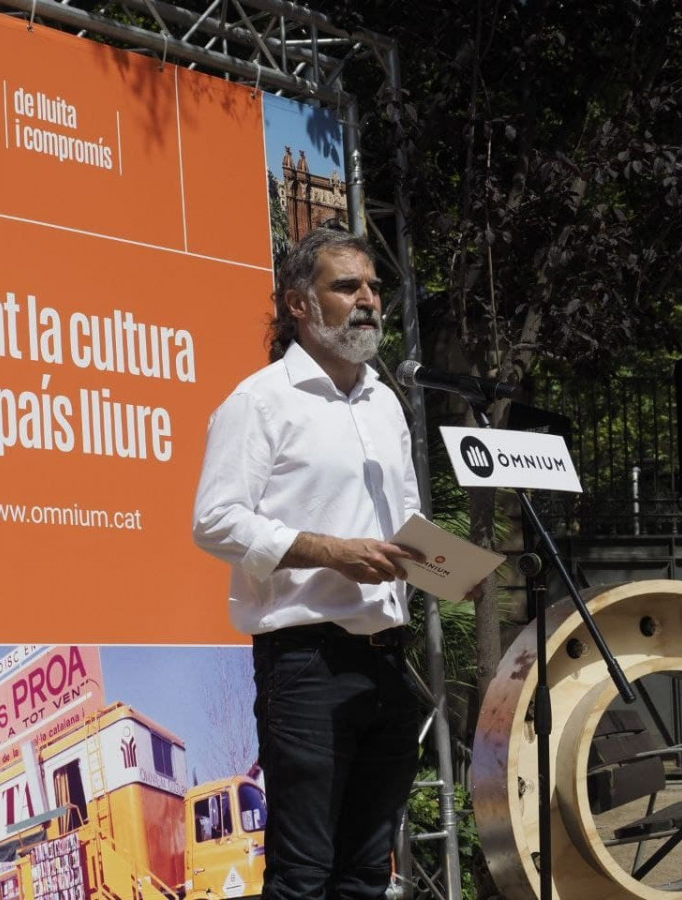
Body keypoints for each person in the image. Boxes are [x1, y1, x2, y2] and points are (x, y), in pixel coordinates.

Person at [193, 227, 423, 900]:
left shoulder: (385, 402)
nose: (369, 300)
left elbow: (405, 519)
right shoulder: (260, 401)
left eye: (374, 286)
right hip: (307, 663)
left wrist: (444, 567)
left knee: (367, 873)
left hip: (387, 659)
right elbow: (215, 521)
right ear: (299, 303)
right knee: (303, 876)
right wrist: (329, 552)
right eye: (347, 286)